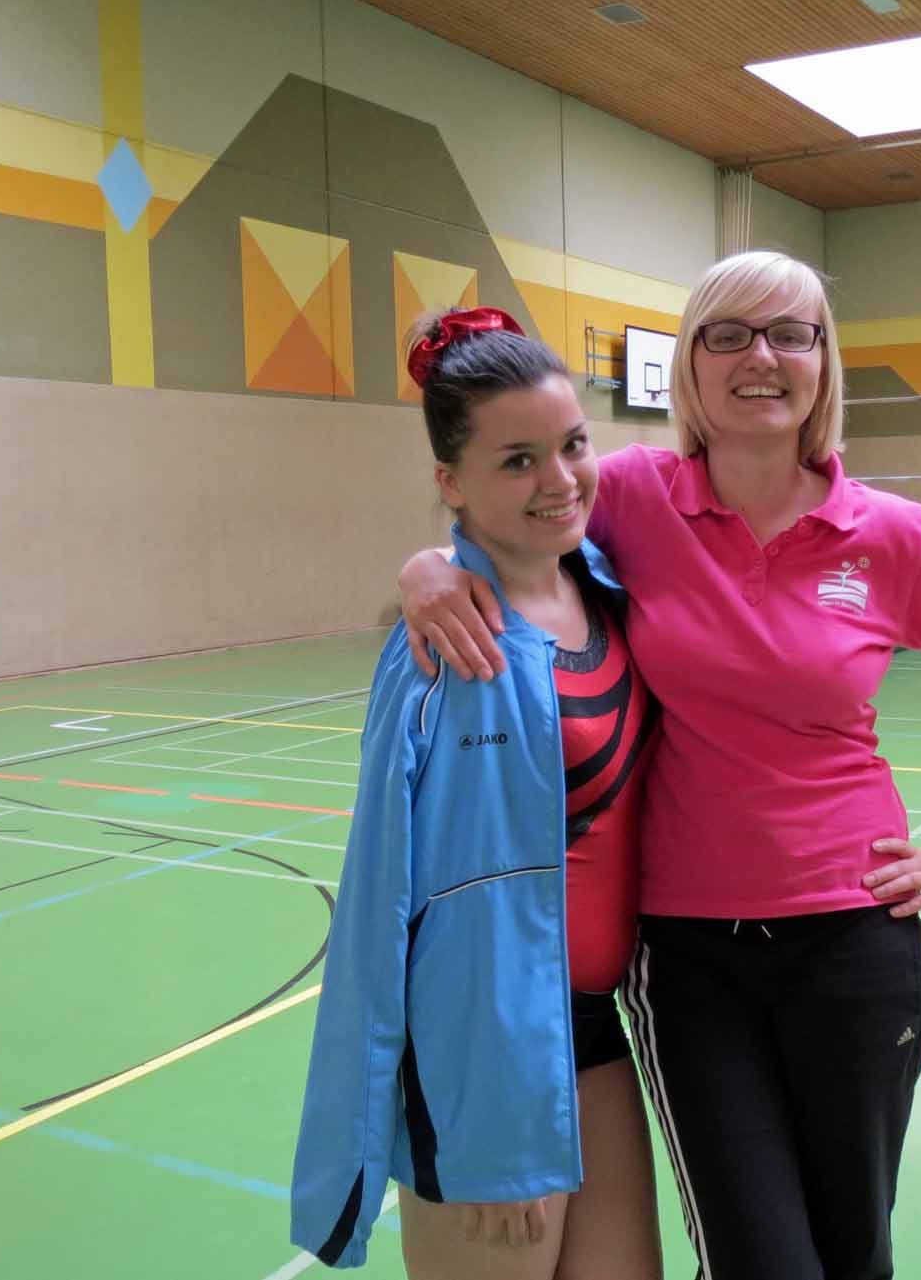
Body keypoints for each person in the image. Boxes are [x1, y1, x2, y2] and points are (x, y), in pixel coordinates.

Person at [398, 251, 921, 1280]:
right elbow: (510, 517)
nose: (760, 356)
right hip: (690, 962)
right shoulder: (631, 495)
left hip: (855, 945)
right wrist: (429, 568)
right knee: (759, 1258)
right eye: (729, 334)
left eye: (789, 333)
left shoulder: (891, 536)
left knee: (853, 1254)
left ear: (822, 361)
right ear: (691, 364)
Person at [292, 308, 663, 1280]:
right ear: (450, 482)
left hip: (595, 1034)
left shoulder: (608, 585)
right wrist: (487, 1112)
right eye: (517, 461)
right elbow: (393, 908)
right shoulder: (440, 652)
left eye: (572, 445)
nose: (560, 479)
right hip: (487, 1058)